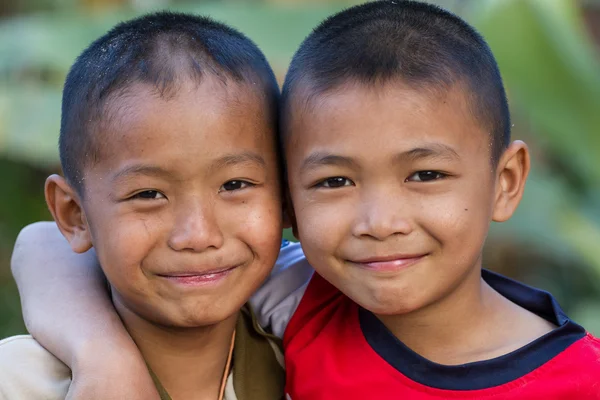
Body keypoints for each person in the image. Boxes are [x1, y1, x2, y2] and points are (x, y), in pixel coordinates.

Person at [10, 1, 600, 399]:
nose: (380, 222)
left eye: (424, 174)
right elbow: (47, 245)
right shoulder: (308, 303)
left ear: (506, 179)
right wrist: (104, 362)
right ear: (293, 201)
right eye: (335, 182)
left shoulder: (580, 379)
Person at [1, 11, 286, 400]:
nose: (198, 235)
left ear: (286, 193)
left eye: (235, 184)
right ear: (73, 214)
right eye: (148, 194)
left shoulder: (313, 339)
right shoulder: (18, 383)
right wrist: (103, 363)